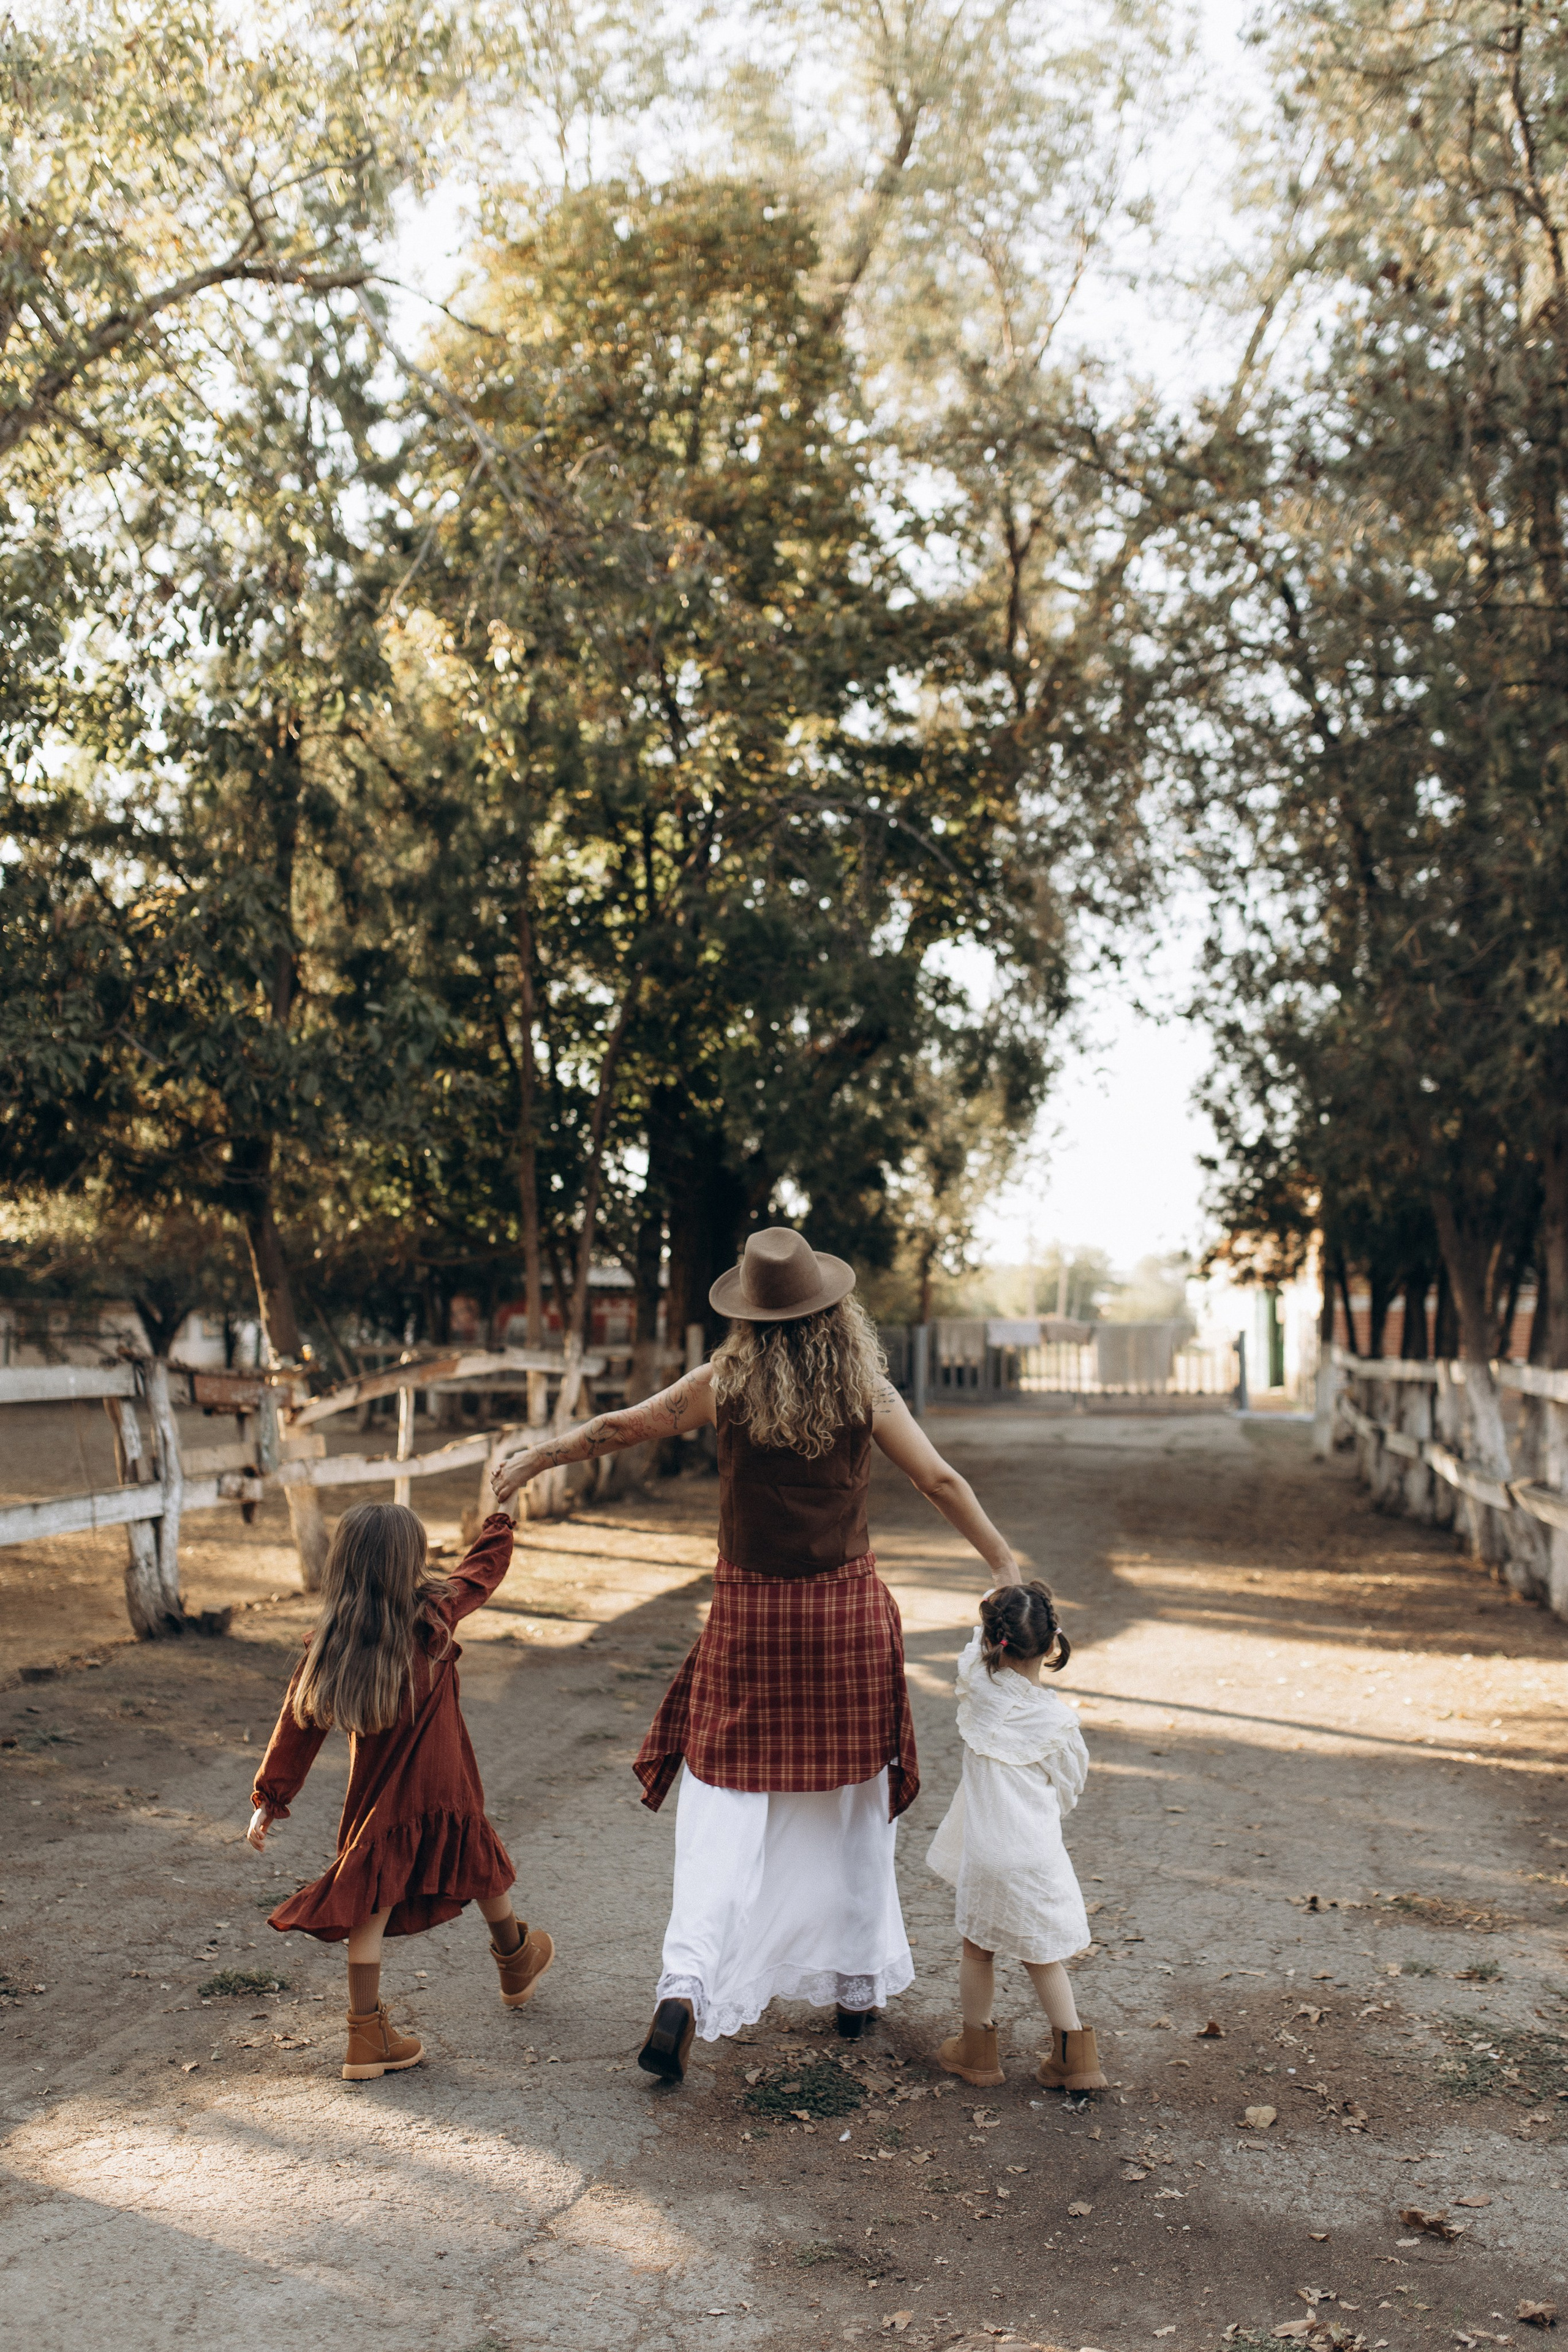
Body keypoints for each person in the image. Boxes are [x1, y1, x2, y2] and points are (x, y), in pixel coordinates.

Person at [491, 1223, 1021, 2082]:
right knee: (855, 1805)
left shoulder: (722, 1385)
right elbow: (941, 1481)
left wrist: (538, 1454)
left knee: (721, 1810)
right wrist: (1003, 1564)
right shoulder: (867, 1390)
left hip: (750, 1627)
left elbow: (623, 1427)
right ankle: (856, 1987)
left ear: (750, 1315)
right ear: (834, 1309)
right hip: (847, 1624)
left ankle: (686, 1985)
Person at [247, 1498, 553, 2081]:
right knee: (474, 1852)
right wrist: (499, 1519)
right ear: (409, 1562)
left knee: (373, 1898)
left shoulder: (328, 1645)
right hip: (446, 1785)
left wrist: (270, 1799)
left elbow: (297, 1728)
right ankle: (513, 1955)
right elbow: (481, 1572)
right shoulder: (433, 1618)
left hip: (380, 1804)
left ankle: (366, 2034)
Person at [924, 1580, 1107, 2094]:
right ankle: (1076, 2057)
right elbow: (1069, 1788)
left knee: (977, 1946)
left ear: (992, 1639)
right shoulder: (1058, 1723)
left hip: (986, 1854)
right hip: (1036, 1853)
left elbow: (970, 1651)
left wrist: (994, 1595)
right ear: (1053, 1646)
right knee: (1041, 1952)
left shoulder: (976, 1689)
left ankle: (977, 2053)